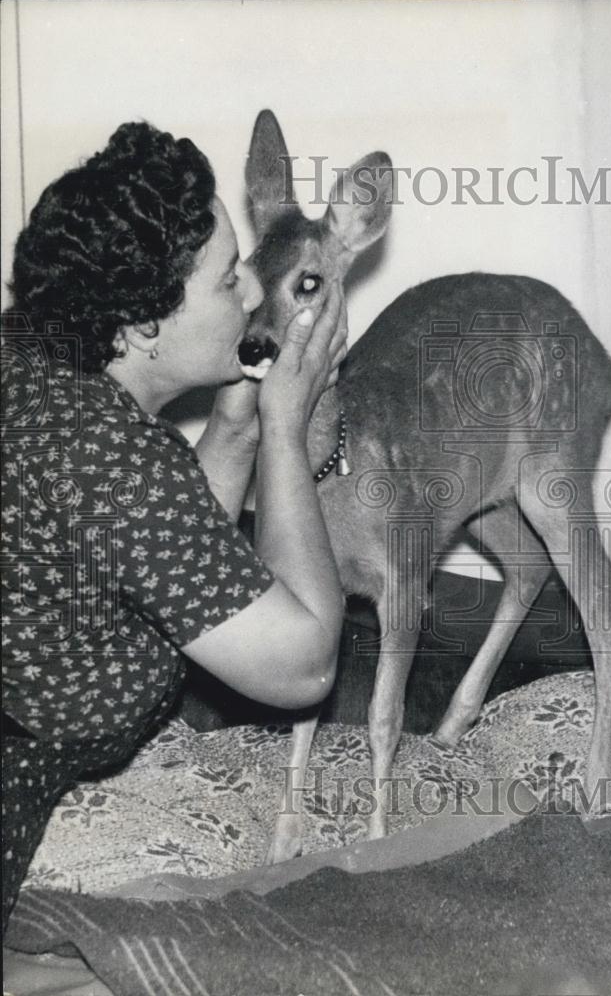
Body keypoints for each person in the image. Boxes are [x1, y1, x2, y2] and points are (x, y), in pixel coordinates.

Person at [1, 121, 347, 932]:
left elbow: (164, 553)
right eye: (230, 281)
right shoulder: (107, 454)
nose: (256, 296)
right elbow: (301, 667)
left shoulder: (34, 365)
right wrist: (286, 435)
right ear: (143, 321)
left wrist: (235, 432)